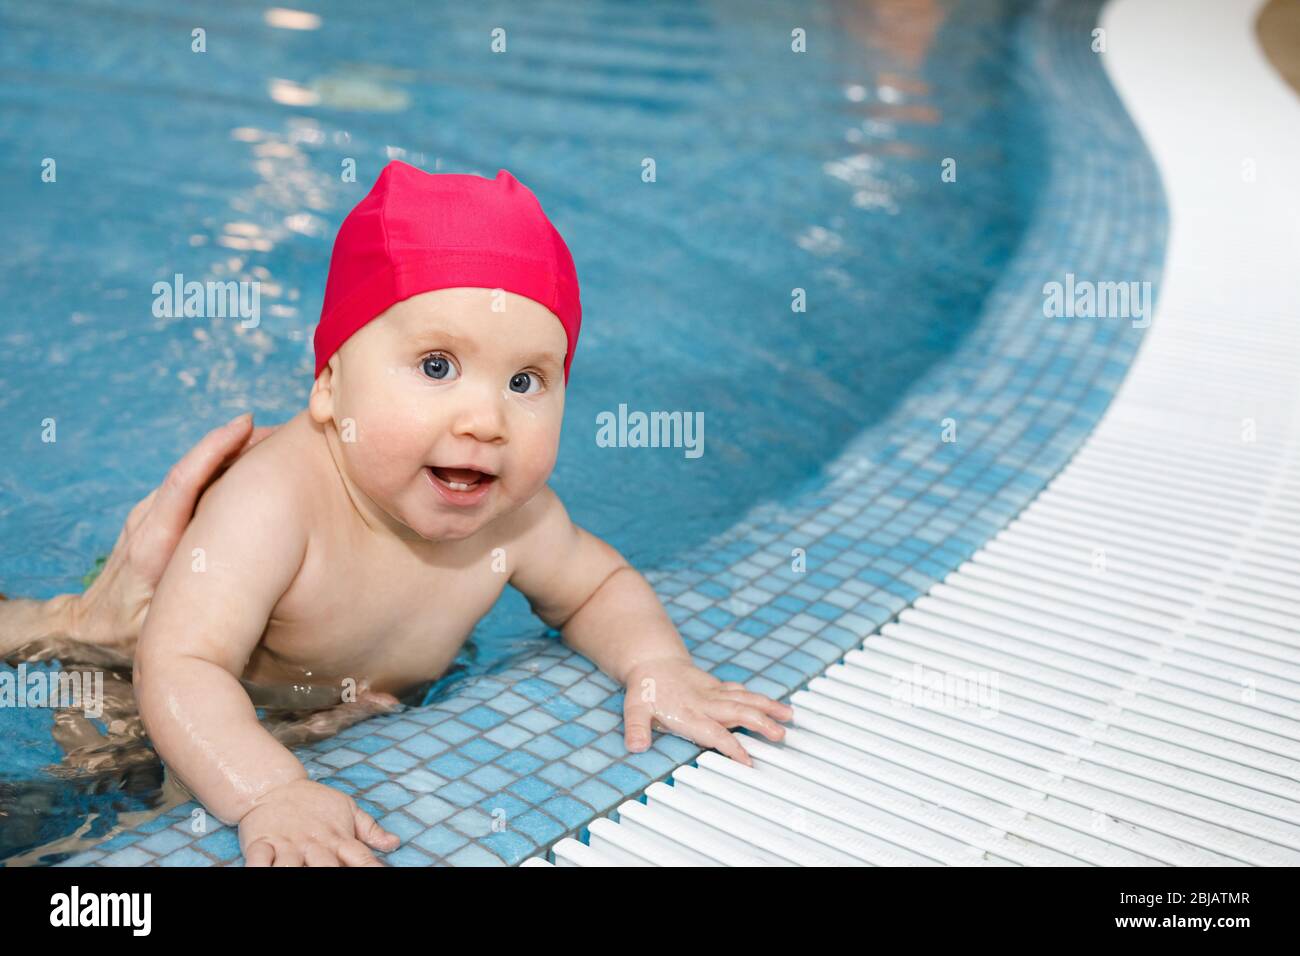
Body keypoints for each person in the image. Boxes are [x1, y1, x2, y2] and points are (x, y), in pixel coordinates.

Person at [133, 160, 795, 868]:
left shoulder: (517, 518)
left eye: (524, 381)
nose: (486, 420)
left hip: (351, 710)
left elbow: (597, 587)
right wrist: (267, 791)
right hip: (169, 702)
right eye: (438, 365)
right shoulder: (274, 505)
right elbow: (179, 664)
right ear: (329, 385)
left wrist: (657, 663)